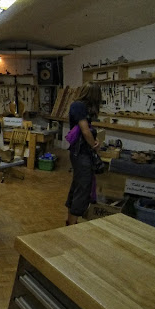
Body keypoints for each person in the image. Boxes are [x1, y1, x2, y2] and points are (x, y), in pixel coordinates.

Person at [65, 82, 102, 225]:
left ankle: (70, 222)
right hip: (81, 154)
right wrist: (94, 146)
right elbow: (85, 131)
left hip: (80, 153)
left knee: (78, 186)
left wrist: (95, 140)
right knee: (83, 189)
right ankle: (72, 225)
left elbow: (87, 130)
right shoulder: (79, 106)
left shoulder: (81, 107)